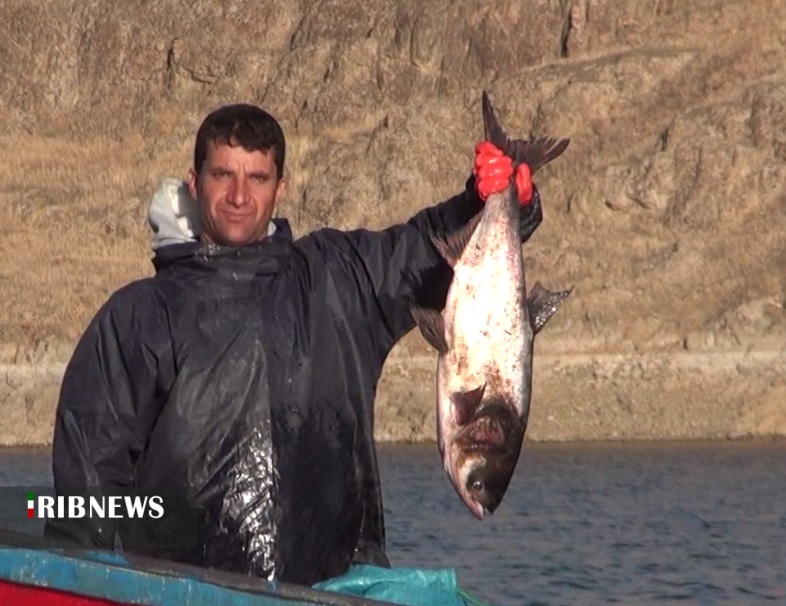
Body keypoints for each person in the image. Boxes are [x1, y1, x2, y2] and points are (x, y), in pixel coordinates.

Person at [43, 102, 548, 586]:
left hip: (338, 588)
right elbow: (89, 481)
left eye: (257, 177)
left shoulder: (340, 279)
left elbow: (422, 252)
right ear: (195, 184)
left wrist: (492, 202)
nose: (239, 195)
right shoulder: (137, 316)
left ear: (280, 187)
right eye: (223, 175)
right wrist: (89, 580)